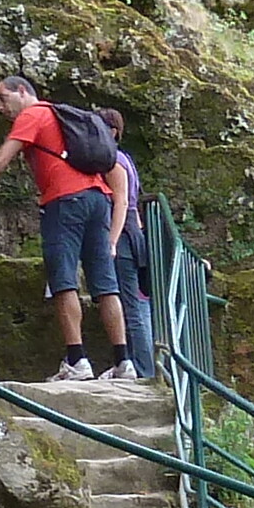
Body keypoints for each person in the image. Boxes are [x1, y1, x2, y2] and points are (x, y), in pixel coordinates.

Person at [0, 73, 134, 383]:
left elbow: (1, 158)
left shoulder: (34, 114)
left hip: (64, 203)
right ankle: (124, 362)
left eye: (3, 98)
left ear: (23, 92)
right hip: (98, 200)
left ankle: (77, 360)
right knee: (106, 284)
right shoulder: (62, 115)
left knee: (64, 281)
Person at [104, 137, 161, 383]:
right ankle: (144, 365)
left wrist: (112, 242)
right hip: (134, 235)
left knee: (133, 306)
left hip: (126, 238)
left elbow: (123, 202)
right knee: (139, 303)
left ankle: (144, 367)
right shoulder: (126, 158)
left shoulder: (114, 161)